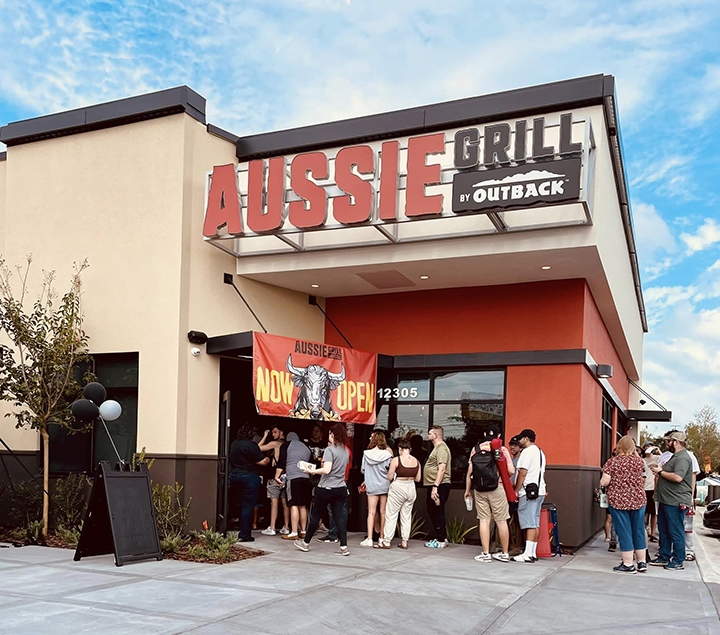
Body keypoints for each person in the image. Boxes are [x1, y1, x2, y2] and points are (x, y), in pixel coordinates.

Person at [295, 423, 351, 556]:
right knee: (340, 518)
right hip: (340, 487)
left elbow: (327, 469)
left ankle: (306, 543)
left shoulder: (329, 450)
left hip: (326, 487)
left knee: (316, 516)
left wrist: (311, 470)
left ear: (333, 435)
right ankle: (343, 546)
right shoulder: (345, 451)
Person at [464, 424, 515, 562]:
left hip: (480, 489)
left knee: (484, 520)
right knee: (501, 521)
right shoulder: (502, 449)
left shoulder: (475, 450)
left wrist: (468, 491)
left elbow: (470, 473)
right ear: (499, 436)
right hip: (497, 488)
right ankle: (504, 553)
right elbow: (511, 471)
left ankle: (486, 554)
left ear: (485, 435)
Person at [600, 435, 647, 573]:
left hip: (618, 500)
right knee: (638, 530)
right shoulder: (639, 462)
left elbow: (605, 481)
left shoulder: (612, 462)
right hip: (638, 499)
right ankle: (642, 562)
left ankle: (628, 564)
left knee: (624, 531)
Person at [649, 431, 693, 570]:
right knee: (664, 530)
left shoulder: (683, 458)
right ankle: (664, 556)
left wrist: (660, 472)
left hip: (676, 501)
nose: (666, 444)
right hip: (667, 500)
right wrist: (659, 470)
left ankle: (678, 560)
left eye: (669, 441)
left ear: (676, 442)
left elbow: (678, 478)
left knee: (675, 530)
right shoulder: (675, 457)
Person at [377, 438, 421, 549]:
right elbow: (418, 479)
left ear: (400, 449)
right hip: (411, 487)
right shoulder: (417, 462)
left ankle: (387, 541)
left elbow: (390, 476)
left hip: (398, 487)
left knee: (391, 514)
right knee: (406, 515)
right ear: (410, 449)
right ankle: (405, 541)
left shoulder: (396, 460)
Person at [228, 426, 270, 542]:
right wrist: (267, 459)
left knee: (238, 504)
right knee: (247, 506)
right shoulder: (251, 445)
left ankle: (230, 527)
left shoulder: (234, 444)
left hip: (234, 476)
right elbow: (261, 462)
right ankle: (244, 535)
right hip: (249, 476)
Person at [511, 429, 546, 562]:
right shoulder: (540, 452)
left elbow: (522, 473)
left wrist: (517, 489)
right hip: (539, 490)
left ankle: (527, 554)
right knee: (535, 522)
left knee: (529, 523)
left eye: (520, 439)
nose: (519, 441)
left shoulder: (526, 452)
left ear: (526, 438)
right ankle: (532, 552)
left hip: (528, 492)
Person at [275, 432, 312, 541]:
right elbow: (312, 463)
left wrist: (277, 476)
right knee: (303, 506)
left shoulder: (286, 446)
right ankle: (304, 531)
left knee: (294, 505)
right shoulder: (306, 447)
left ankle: (294, 532)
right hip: (306, 479)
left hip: (293, 478)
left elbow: (281, 462)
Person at [360, 431, 393, 547]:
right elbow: (390, 472)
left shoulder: (366, 454)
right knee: (383, 512)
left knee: (371, 512)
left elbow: (363, 470)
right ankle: (382, 538)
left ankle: (369, 538)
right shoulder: (388, 455)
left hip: (371, 485)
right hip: (384, 485)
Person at [258, 426, 290, 536]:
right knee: (285, 502)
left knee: (274, 502)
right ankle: (286, 527)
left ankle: (272, 527)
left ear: (282, 432)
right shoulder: (288, 445)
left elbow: (258, 448)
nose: (273, 434)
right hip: (285, 474)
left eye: (275, 431)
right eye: (271, 432)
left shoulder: (275, 444)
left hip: (275, 474)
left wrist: (265, 436)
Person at [423, 425, 452, 549]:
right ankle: (442, 537)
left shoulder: (441, 448)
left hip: (439, 485)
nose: (428, 435)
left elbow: (442, 468)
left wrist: (435, 486)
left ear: (435, 435)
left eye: (430, 433)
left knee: (437, 511)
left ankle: (441, 540)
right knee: (432, 509)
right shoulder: (437, 448)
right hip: (434, 485)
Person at [643, 446, 659, 543]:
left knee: (654, 513)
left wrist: (657, 450)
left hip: (653, 488)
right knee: (644, 512)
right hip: (644, 488)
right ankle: (645, 530)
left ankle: (653, 533)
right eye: (645, 447)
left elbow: (667, 459)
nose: (647, 449)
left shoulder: (657, 458)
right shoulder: (642, 460)